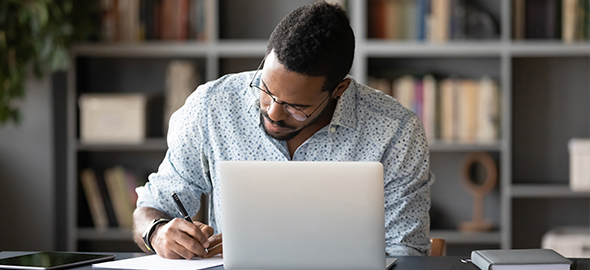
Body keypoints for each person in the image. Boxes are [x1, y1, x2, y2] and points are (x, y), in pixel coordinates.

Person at [133, 1, 435, 259]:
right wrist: (156, 232)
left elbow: (404, 252)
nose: (273, 112)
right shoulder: (212, 106)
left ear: (339, 89)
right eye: (265, 89)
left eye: (295, 106)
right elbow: (152, 206)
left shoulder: (396, 131)